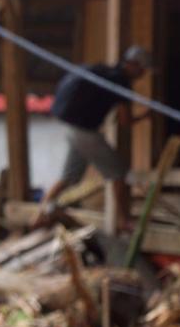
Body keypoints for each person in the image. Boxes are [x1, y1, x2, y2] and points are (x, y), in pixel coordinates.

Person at [38, 45, 151, 230]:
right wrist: (145, 116)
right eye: (142, 69)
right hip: (86, 132)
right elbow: (125, 121)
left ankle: (43, 211)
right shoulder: (122, 83)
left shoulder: (105, 72)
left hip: (72, 129)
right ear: (133, 65)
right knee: (119, 173)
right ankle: (125, 222)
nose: (143, 74)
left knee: (69, 176)